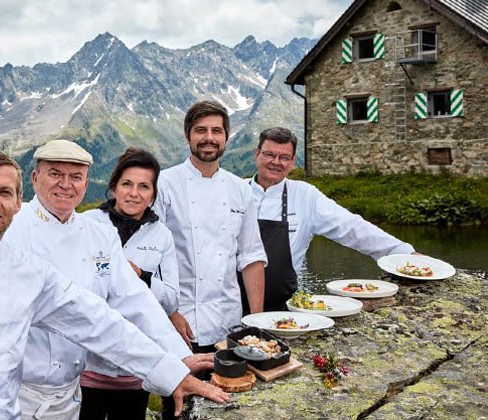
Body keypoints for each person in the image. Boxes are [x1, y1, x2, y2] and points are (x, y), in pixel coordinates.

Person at [0, 149, 227, 419]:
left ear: (16, 203)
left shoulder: (31, 272)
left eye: (3, 193)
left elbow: (99, 321)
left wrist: (171, 371)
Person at [152, 100, 267, 419]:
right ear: (187, 136)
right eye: (200, 130)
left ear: (226, 137)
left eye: (216, 131)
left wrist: (254, 323)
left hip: (226, 327)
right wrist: (170, 311)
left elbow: (252, 257)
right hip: (178, 327)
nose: (209, 137)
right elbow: (151, 257)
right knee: (177, 408)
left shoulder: (240, 190)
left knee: (230, 406)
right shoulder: (164, 184)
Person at [240, 127, 417, 312]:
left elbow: (351, 227)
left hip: (283, 308)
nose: (276, 162)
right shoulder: (236, 191)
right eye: (269, 154)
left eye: (284, 157)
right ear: (257, 154)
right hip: (230, 303)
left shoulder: (305, 195)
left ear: (292, 161)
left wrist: (401, 252)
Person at [79, 147, 181, 420]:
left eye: (144, 186)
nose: (134, 193)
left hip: (136, 368)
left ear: (152, 195)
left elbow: (171, 299)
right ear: (113, 188)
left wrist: (142, 277)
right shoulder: (87, 224)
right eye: (127, 184)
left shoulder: (162, 235)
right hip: (87, 367)